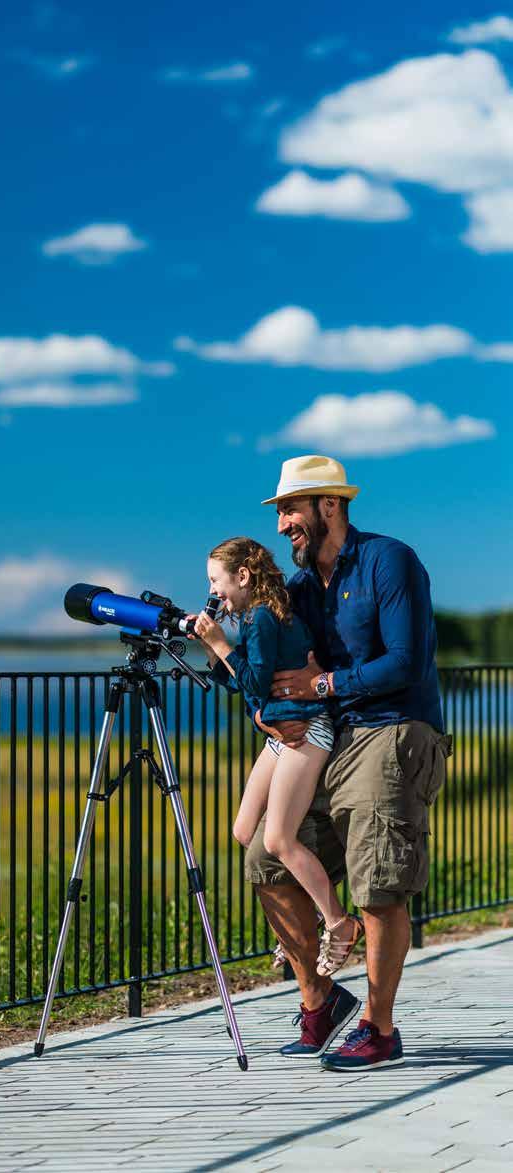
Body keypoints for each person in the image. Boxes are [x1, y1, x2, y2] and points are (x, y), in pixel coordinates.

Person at [243, 454, 452, 1070]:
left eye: (289, 510)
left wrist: (324, 686)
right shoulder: (302, 589)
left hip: (394, 728)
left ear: (328, 505)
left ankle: (379, 1028)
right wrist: (264, 709)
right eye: (279, 512)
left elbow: (404, 663)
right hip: (328, 735)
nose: (282, 525)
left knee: (377, 880)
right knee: (264, 858)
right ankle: (321, 998)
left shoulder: (390, 560)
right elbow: (281, 669)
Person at [194, 537, 364, 976]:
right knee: (243, 829)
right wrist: (216, 653)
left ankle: (339, 923)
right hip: (280, 731)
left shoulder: (263, 617)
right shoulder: (255, 616)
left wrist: (220, 645)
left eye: (216, 581)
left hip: (308, 732)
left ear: (243, 577)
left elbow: (253, 684)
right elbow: (245, 685)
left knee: (278, 840)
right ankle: (305, 921)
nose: (213, 592)